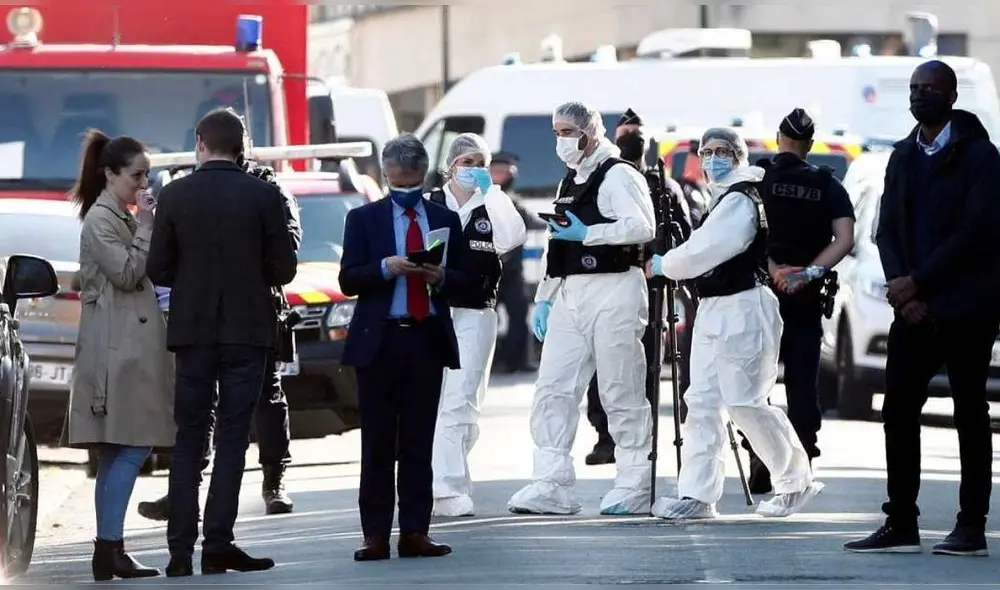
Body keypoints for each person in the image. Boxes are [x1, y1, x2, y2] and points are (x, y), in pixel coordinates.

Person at [845, 60, 1000, 556]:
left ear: (951, 95)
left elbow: (978, 234)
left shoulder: (981, 158)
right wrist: (900, 286)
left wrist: (919, 281)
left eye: (928, 88)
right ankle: (901, 522)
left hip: (967, 308)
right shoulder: (902, 157)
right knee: (898, 411)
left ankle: (970, 526)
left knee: (970, 414)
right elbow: (885, 228)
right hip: (913, 310)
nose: (918, 96)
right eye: (913, 88)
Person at [147, 108, 297, 577]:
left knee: (190, 436)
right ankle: (218, 544)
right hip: (248, 332)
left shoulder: (173, 195)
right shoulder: (263, 195)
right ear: (243, 148)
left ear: (200, 143)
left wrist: (193, 284)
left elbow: (158, 268)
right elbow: (285, 268)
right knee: (233, 437)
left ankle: (178, 552)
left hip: (192, 331)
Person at [647, 127, 823, 521]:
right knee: (703, 402)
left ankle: (796, 481)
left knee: (745, 402)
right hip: (715, 306)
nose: (712, 159)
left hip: (744, 306)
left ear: (739, 157)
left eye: (722, 151)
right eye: (706, 151)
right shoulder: (722, 198)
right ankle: (697, 493)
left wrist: (667, 264)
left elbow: (707, 250)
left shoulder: (742, 199)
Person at [506, 102, 655, 516]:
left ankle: (634, 481)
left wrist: (591, 232)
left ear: (591, 132)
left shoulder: (619, 174)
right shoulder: (570, 180)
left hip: (616, 289)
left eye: (568, 130)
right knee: (554, 387)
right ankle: (550, 483)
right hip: (572, 292)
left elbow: (643, 226)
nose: (562, 140)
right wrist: (544, 299)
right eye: (556, 131)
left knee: (620, 388)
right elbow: (559, 243)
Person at [339, 133, 469, 561]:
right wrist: (385, 267)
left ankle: (415, 530)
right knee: (377, 440)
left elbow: (472, 279)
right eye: (398, 181)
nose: (405, 189)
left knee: (417, 439)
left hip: (425, 337)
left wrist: (442, 277)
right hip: (379, 341)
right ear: (386, 174)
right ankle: (374, 533)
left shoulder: (444, 218)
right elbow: (348, 279)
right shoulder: (365, 219)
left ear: (423, 173)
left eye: (412, 182)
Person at [62, 130, 174, 581]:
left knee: (118, 451)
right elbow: (128, 274)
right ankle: (109, 547)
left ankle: (110, 549)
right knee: (130, 447)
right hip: (118, 351)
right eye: (137, 175)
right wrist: (146, 228)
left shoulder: (115, 214)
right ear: (110, 174)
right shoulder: (102, 219)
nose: (144, 184)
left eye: (147, 174)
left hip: (122, 347)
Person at [740, 107, 856, 494]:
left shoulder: (759, 182)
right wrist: (808, 272)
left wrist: (773, 268)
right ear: (809, 144)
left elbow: (744, 232)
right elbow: (844, 239)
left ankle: (761, 455)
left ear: (778, 139)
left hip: (760, 293)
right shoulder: (827, 186)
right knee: (803, 383)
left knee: (757, 382)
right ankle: (802, 455)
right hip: (804, 298)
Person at [584, 107, 693, 466]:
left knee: (645, 361)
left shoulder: (665, 185)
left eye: (636, 132)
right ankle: (606, 436)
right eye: (625, 132)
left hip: (652, 288)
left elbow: (683, 236)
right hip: (608, 282)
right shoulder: (604, 178)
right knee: (604, 360)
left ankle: (641, 436)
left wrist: (662, 262)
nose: (631, 137)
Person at [428, 134, 527, 517]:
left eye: (481, 163)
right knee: (438, 400)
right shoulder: (432, 204)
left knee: (464, 399)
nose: (474, 170)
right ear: (451, 166)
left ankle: (450, 479)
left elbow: (511, 237)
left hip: (476, 311)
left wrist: (492, 194)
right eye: (467, 162)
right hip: (435, 312)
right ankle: (442, 484)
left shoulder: (492, 207)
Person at [490, 150, 542, 374]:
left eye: (505, 171)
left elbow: (534, 222)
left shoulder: (514, 202)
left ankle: (515, 361)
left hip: (511, 273)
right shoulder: (481, 200)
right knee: (482, 319)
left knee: (519, 315)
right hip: (488, 272)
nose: (501, 175)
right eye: (497, 171)